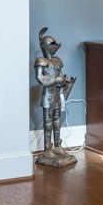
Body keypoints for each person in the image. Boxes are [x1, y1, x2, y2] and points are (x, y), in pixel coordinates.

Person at [34, 26, 76, 167]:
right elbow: (40, 78)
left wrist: (65, 82)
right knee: (48, 122)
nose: (54, 46)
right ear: (45, 46)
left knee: (57, 121)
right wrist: (55, 79)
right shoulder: (41, 61)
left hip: (58, 93)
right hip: (48, 95)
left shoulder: (57, 61)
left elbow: (60, 75)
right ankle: (47, 149)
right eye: (52, 44)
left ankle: (57, 146)